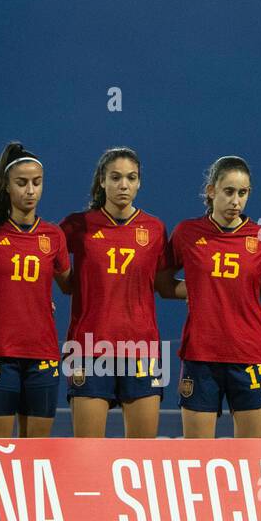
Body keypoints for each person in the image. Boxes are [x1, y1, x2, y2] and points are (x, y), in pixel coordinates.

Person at [156, 155, 261, 439]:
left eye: (243, 193)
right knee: (198, 457)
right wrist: (200, 291)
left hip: (249, 355)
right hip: (201, 355)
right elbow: (163, 285)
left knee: (251, 458)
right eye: (229, 191)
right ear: (212, 190)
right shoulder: (187, 232)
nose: (236, 201)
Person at [59, 148, 168, 438]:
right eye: (116, 177)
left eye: (131, 178)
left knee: (142, 457)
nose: (124, 185)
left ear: (139, 183)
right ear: (102, 182)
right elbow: (45, 261)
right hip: (87, 348)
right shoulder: (76, 225)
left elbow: (164, 284)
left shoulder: (155, 229)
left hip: (143, 349)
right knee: (87, 454)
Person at [0, 142, 71, 438]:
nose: (30, 191)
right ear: (6, 186)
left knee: (36, 454)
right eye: (22, 183)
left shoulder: (53, 235)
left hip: (42, 353)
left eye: (36, 183)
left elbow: (69, 285)